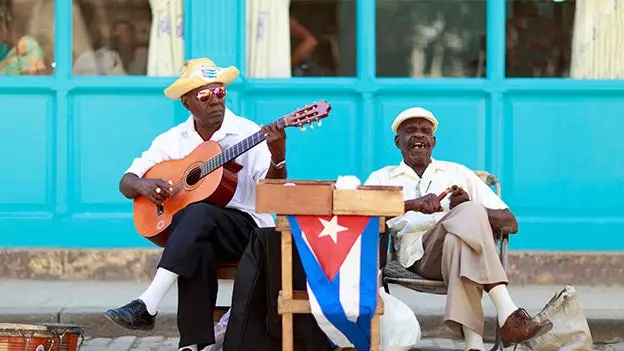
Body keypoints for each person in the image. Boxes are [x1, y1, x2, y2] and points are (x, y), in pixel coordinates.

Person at [104, 57, 288, 351]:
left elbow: (275, 194)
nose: (216, 100)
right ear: (187, 103)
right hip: (200, 232)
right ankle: (194, 345)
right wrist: (144, 185)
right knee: (197, 243)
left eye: (220, 93)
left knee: (198, 213)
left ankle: (148, 302)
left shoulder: (247, 133)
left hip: (249, 233)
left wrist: (278, 156)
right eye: (205, 95)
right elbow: (127, 182)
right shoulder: (172, 140)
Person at [365, 107, 552, 351]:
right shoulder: (383, 177)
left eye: (425, 131)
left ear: (433, 141)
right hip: (417, 257)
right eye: (410, 131)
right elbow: (362, 214)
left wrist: (466, 209)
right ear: (398, 142)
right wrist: (413, 205)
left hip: (455, 254)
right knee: (470, 214)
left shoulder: (457, 172)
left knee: (462, 237)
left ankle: (474, 346)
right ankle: (508, 312)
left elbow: (510, 222)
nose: (419, 135)